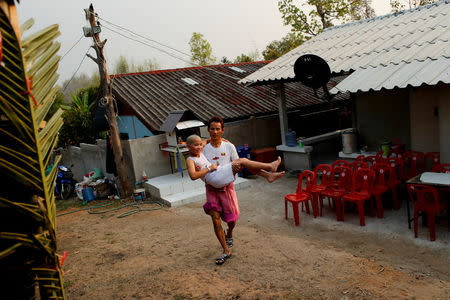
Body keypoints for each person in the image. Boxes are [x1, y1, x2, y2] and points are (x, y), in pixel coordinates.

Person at [194, 116, 284, 265]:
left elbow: (240, 165)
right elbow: (196, 156)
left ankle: (229, 232)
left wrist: (235, 170)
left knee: (232, 220)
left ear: (222, 130)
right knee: (215, 218)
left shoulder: (229, 146)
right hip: (211, 188)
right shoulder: (203, 149)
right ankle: (225, 250)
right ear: (208, 130)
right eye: (212, 129)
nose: (215, 131)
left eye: (218, 129)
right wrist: (204, 144)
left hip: (227, 186)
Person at [186, 134, 284, 188]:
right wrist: (208, 168)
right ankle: (270, 166)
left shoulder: (200, 151)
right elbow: (193, 176)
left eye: (199, 144)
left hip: (216, 172)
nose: (199, 147)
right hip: (214, 177)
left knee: (244, 164)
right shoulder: (190, 160)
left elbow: (207, 140)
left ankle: (268, 175)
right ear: (188, 146)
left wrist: (224, 140)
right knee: (242, 161)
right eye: (195, 145)